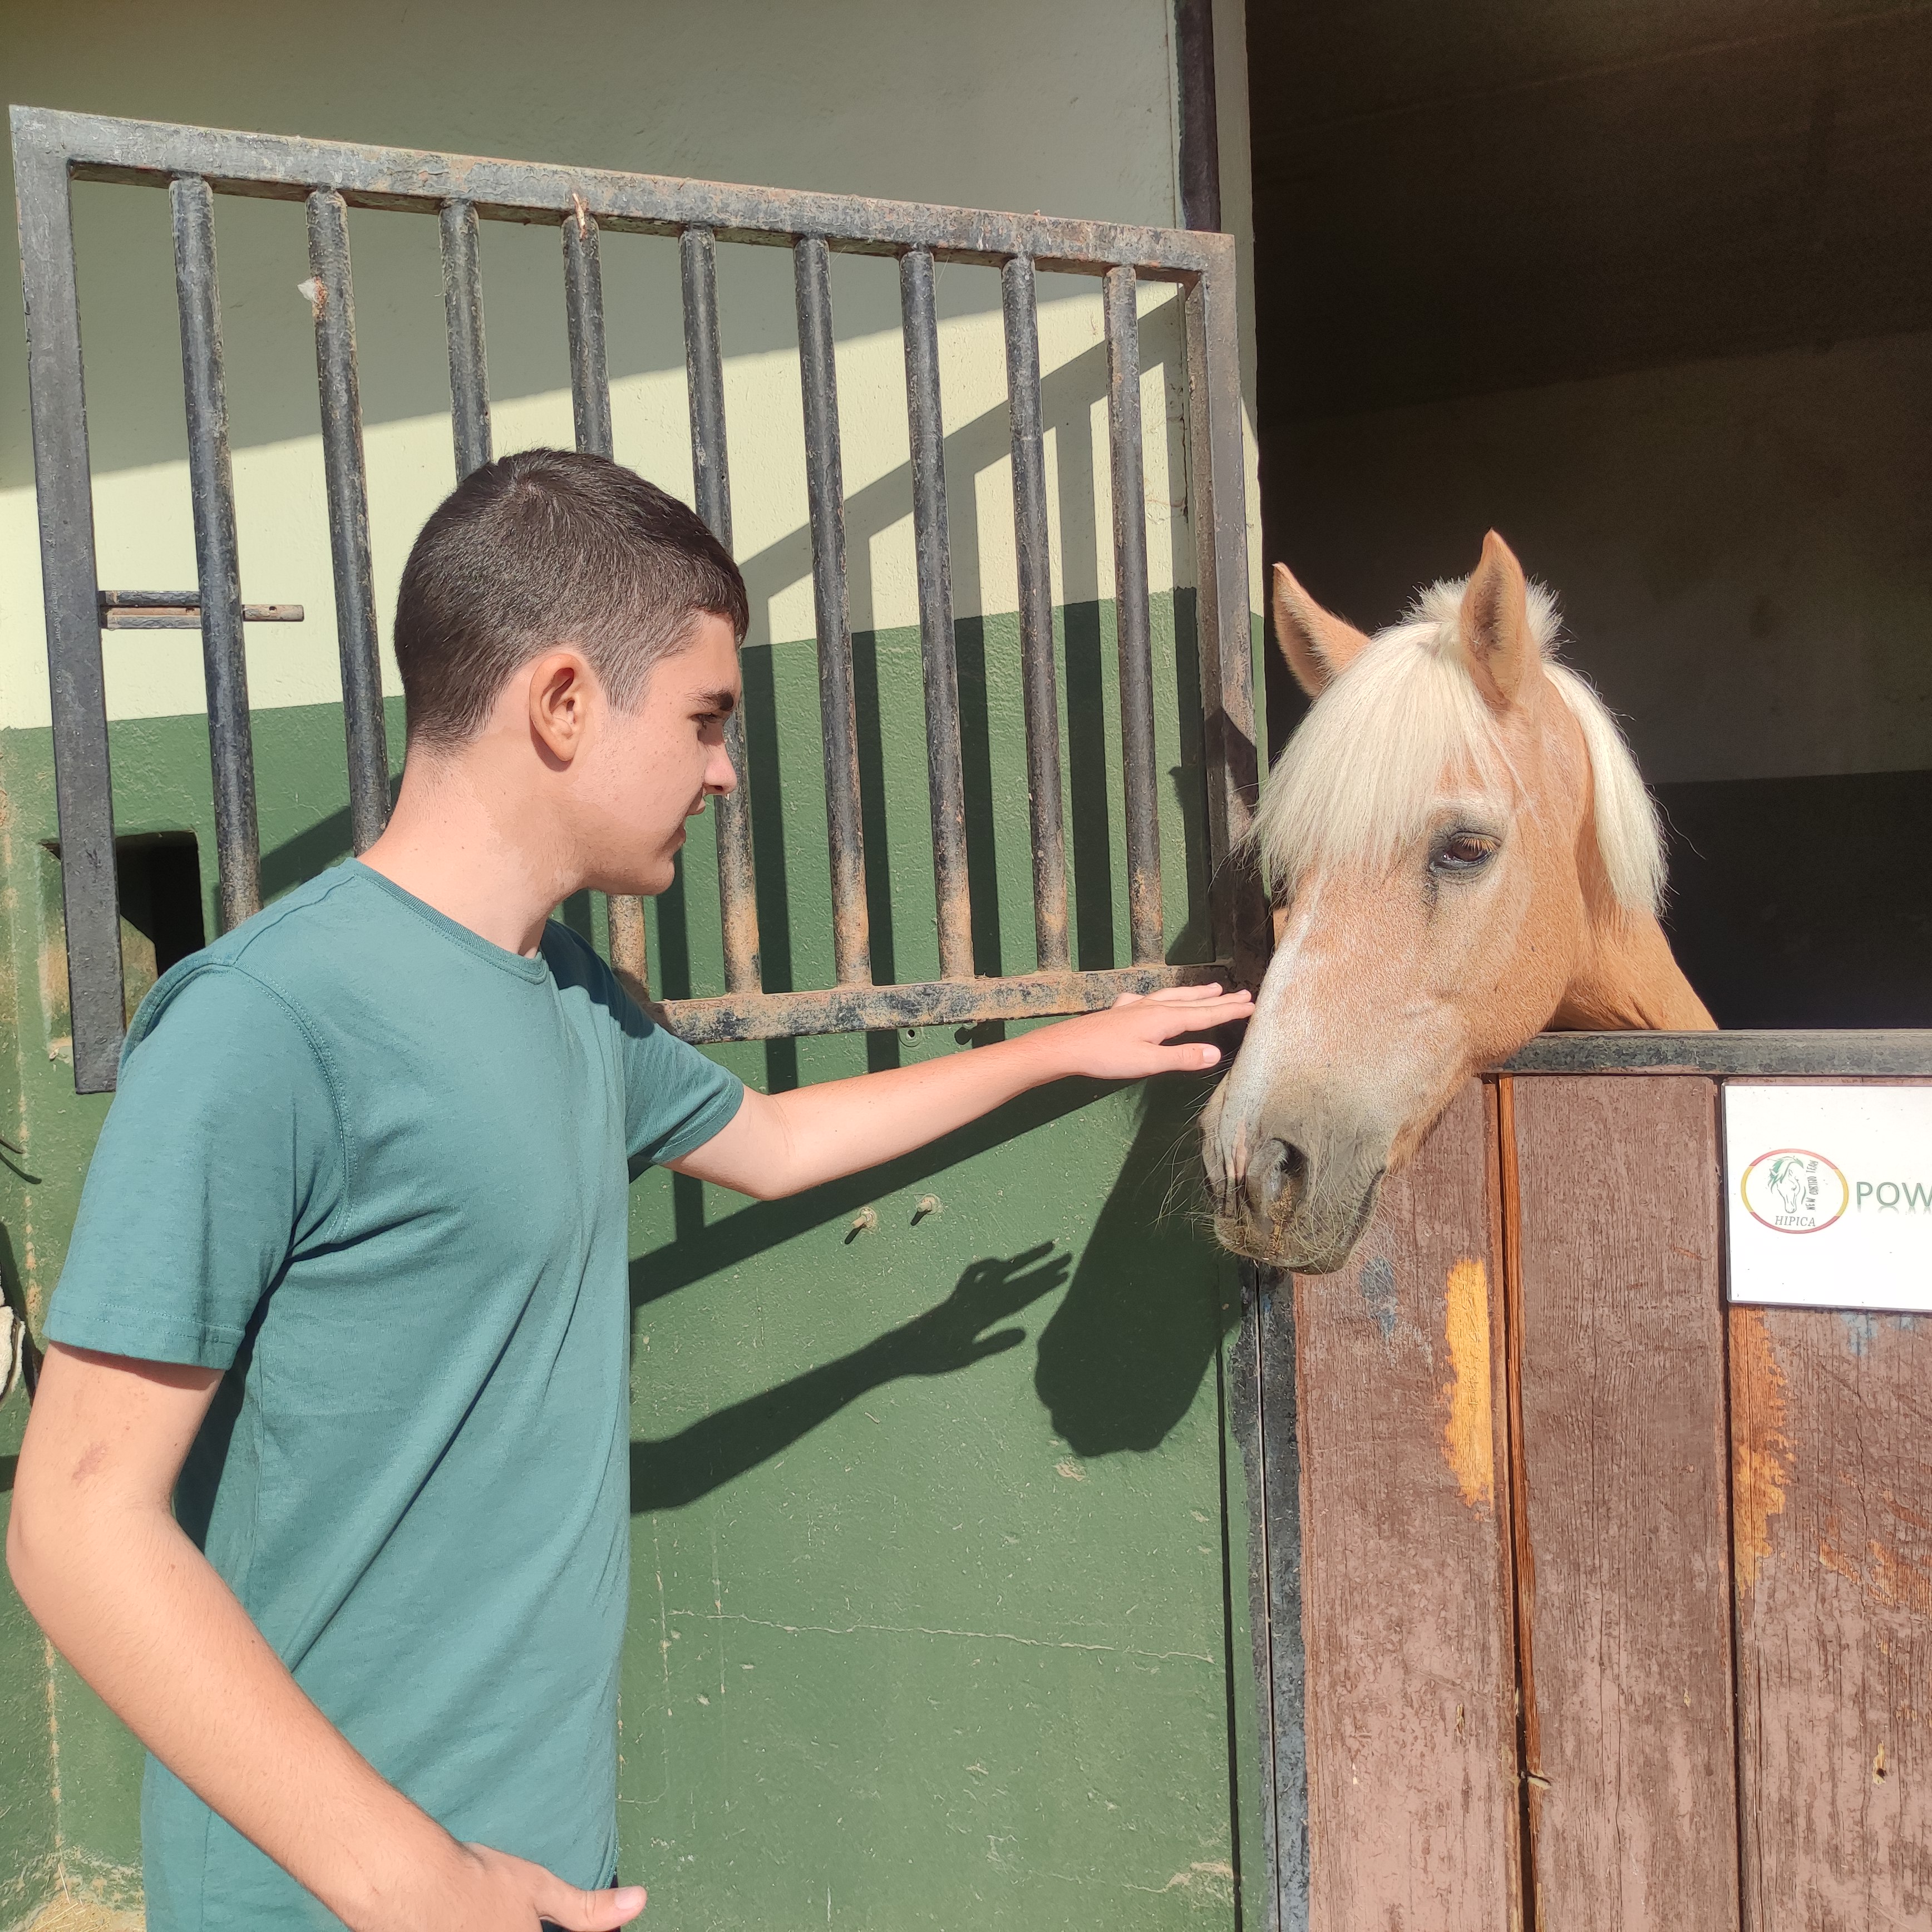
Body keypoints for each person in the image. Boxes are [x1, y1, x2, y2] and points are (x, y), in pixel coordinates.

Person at [5, 450, 1252, 1932]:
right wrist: (417, 1881)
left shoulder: (572, 995)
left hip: (539, 1872)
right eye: (706, 719)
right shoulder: (263, 1022)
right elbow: (77, 1523)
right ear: (562, 703)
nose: (725, 772)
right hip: (334, 1902)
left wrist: (1059, 1052)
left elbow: (772, 1144)